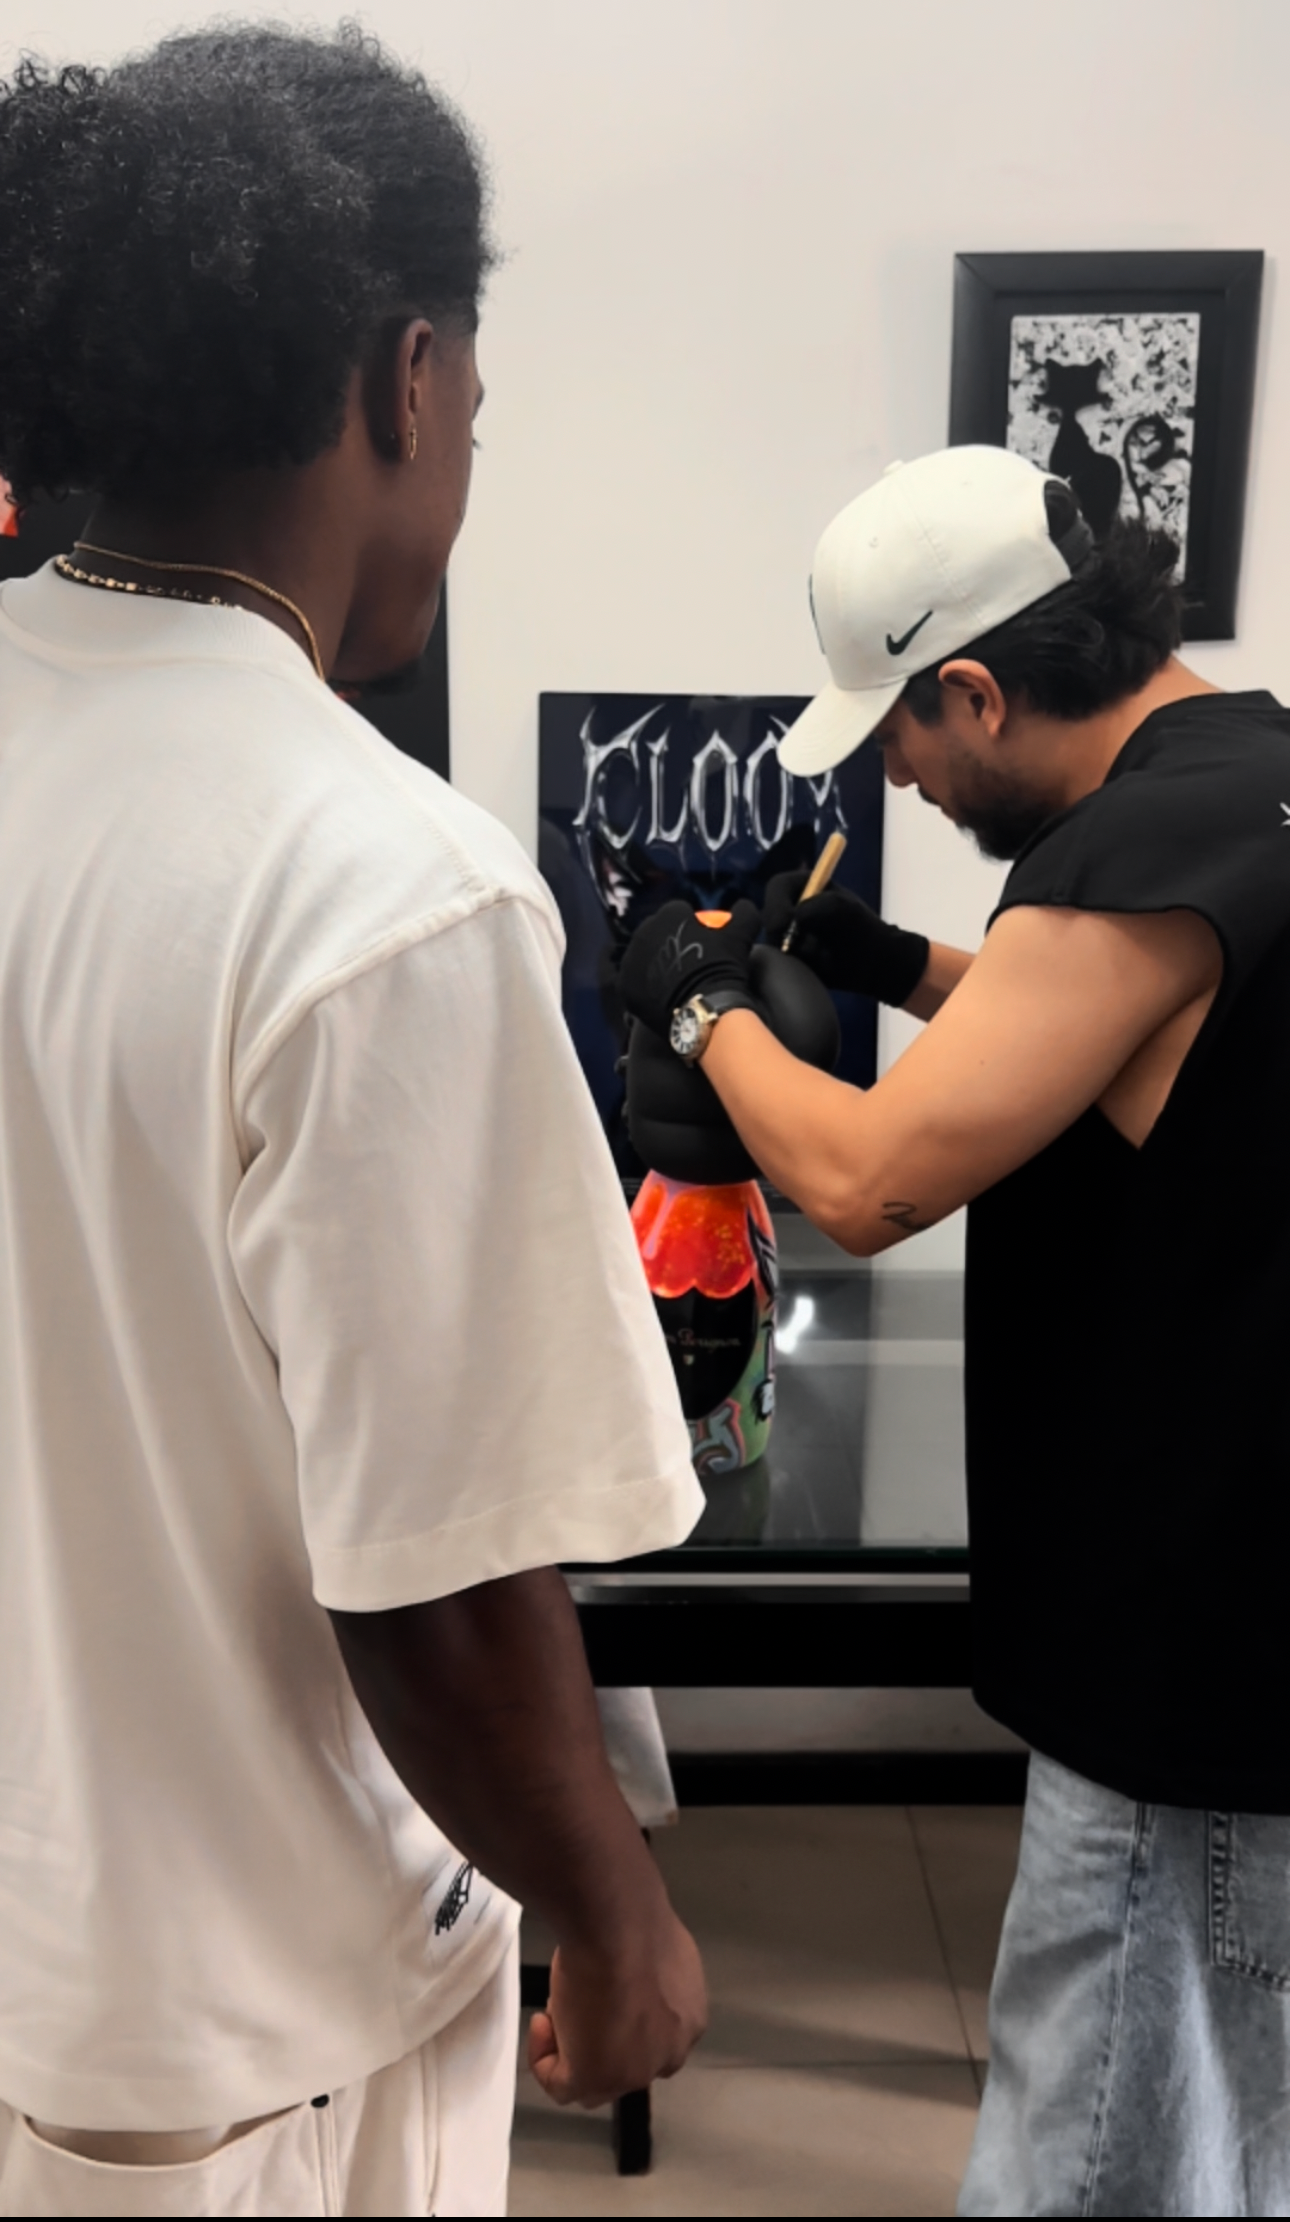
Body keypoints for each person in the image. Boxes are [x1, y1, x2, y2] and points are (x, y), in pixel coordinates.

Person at [0, 27, 706, 2219]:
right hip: (249, 2038)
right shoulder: (383, 886)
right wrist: (612, 1907)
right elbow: (441, 1572)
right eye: (475, 402)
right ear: (407, 383)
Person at [620, 444, 1290, 2218]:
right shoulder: (1244, 779)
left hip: (1189, 1660)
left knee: (1093, 2149)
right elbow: (1113, 1028)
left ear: (977, 690)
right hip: (1248, 1608)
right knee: (1226, 2120)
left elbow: (867, 1177)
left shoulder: (1129, 850)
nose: (901, 775)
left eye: (903, 735)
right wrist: (886, 958)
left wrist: (695, 1006)